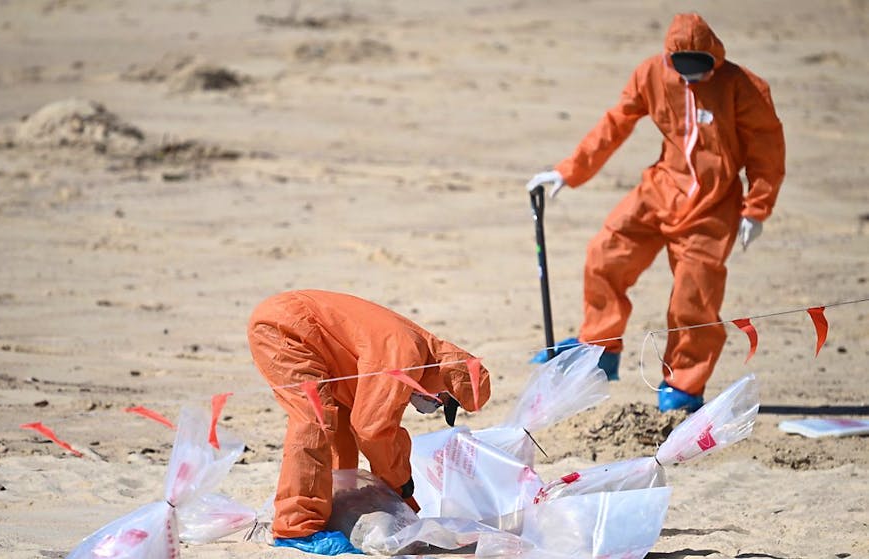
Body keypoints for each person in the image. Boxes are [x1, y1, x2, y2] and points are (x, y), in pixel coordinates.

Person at [527, 13, 785, 412]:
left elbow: (767, 150)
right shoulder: (651, 74)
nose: (692, 78)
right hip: (661, 189)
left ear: (714, 58)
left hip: (713, 207)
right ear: (668, 61)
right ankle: (600, 345)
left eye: (700, 69)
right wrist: (569, 170)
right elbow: (616, 123)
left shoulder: (744, 86)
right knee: (605, 254)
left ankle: (683, 386)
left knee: (692, 298)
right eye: (683, 70)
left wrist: (757, 208)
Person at [247, 289, 492, 555]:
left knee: (339, 422)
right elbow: (373, 429)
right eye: (439, 403)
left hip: (311, 336)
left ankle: (335, 503)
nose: (430, 408)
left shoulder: (418, 353)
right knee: (315, 419)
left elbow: (357, 422)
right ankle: (296, 528)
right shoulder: (405, 355)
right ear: (444, 386)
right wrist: (401, 488)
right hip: (287, 329)